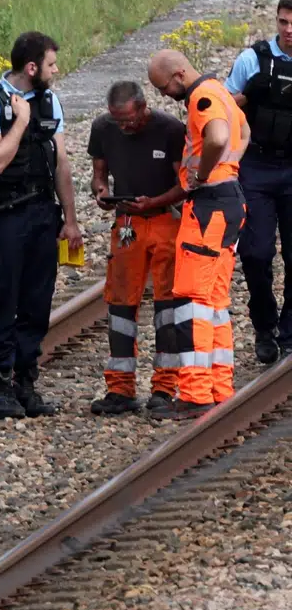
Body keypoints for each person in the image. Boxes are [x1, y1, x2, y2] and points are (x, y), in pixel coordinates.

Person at [0, 31, 84, 419]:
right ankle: (0, 388)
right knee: (3, 299)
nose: (56, 70)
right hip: (5, 217)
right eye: (51, 65)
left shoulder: (49, 100)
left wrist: (70, 219)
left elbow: (61, 162)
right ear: (31, 68)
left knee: (36, 302)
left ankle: (25, 382)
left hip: (41, 213)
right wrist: (20, 122)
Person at [144, 49, 249, 419]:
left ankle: (194, 393)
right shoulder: (219, 90)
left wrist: (203, 175)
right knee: (215, 302)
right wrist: (228, 167)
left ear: (177, 74)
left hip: (208, 205)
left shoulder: (202, 98)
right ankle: (220, 387)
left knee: (192, 301)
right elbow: (243, 129)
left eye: (162, 87)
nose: (161, 95)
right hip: (230, 200)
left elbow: (218, 137)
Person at [86, 81, 186, 416]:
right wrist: (101, 191)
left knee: (168, 305)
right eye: (118, 121)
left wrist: (154, 202)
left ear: (144, 107)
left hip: (164, 221)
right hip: (127, 223)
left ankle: (165, 387)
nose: (125, 127)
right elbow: (98, 174)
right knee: (120, 305)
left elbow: (185, 184)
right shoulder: (103, 128)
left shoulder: (171, 130)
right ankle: (120, 388)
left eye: (129, 120)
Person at [225, 0, 292, 362]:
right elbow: (224, 106)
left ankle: (290, 330)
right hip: (258, 166)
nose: (288, 30)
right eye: (283, 21)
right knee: (255, 252)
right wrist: (249, 97)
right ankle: (265, 328)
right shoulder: (254, 59)